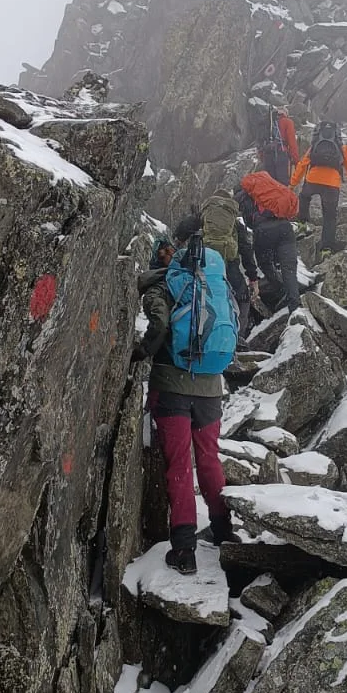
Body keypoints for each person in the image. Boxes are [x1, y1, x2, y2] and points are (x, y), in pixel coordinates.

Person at [132, 233, 236, 573]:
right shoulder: (214, 285)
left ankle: (184, 549)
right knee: (208, 459)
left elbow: (160, 323)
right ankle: (224, 531)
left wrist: (143, 351)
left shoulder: (163, 286)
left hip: (173, 387)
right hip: (210, 388)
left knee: (178, 464)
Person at [174, 190, 256, 334]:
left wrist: (179, 241)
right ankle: (238, 337)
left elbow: (183, 228)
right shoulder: (235, 224)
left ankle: (194, 332)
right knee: (243, 298)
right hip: (229, 267)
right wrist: (253, 278)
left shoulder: (203, 217)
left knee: (197, 295)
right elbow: (246, 250)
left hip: (204, 264)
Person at [237, 153, 301, 314]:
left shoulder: (246, 195)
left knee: (265, 264)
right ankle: (295, 304)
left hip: (264, 231)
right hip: (285, 227)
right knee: (289, 268)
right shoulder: (271, 189)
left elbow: (242, 215)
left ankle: (280, 288)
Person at [291, 120, 347, 255]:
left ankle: (302, 224)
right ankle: (326, 249)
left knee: (304, 197)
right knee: (330, 216)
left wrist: (293, 183)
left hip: (312, 180)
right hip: (332, 185)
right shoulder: (342, 148)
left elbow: (302, 165)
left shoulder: (314, 146)